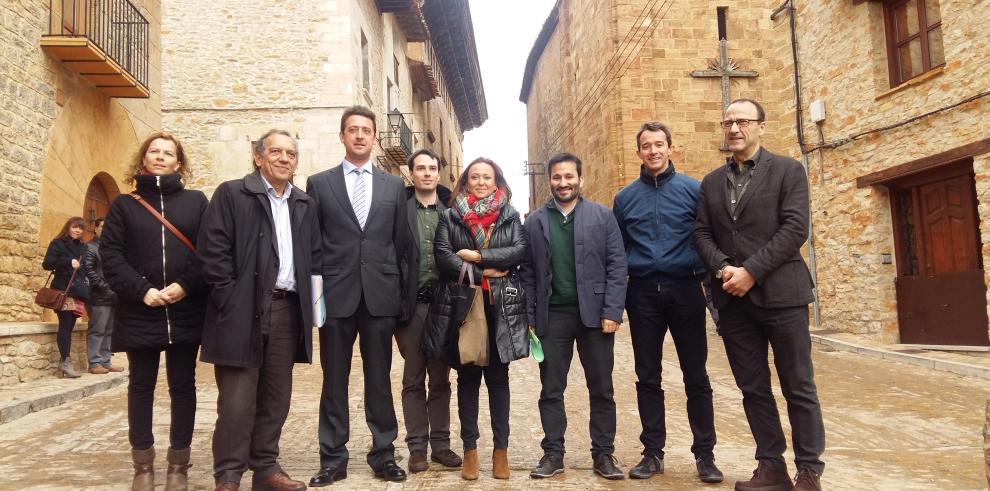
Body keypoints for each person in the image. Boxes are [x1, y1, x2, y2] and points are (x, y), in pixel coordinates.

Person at [693, 98, 825, 491]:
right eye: (729, 122)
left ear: (761, 127)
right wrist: (723, 269)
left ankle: (808, 472)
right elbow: (701, 232)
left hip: (783, 296)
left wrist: (751, 271)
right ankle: (771, 468)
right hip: (733, 301)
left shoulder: (788, 171)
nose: (734, 129)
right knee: (753, 388)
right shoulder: (711, 182)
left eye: (743, 122)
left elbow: (794, 229)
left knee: (797, 385)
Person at [198, 129, 321, 491]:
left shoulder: (304, 204)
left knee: (276, 396)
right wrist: (229, 298)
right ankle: (229, 475)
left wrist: (314, 311)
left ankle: (265, 468)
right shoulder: (232, 193)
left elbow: (315, 258)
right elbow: (212, 252)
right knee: (236, 399)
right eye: (276, 151)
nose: (284, 158)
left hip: (287, 310)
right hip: (241, 310)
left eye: (291, 154)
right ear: (258, 157)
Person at [612, 122, 723, 483]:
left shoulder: (694, 190)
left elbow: (707, 237)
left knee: (697, 375)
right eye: (647, 146)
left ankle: (705, 455)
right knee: (647, 376)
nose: (654, 151)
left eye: (660, 144)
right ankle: (652, 453)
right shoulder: (625, 198)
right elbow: (618, 248)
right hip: (642, 293)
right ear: (639, 152)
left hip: (686, 289)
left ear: (671, 148)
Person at [306, 106, 411, 485]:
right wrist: (316, 304)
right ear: (342, 136)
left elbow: (403, 246)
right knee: (333, 379)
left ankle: (383, 454)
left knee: (379, 379)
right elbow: (312, 246)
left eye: (366, 130)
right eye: (353, 130)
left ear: (373, 136)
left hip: (380, 297)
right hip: (335, 297)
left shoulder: (394, 186)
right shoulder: (319, 183)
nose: (360, 136)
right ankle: (332, 458)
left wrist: (402, 300)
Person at [101, 131, 208, 491]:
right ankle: (142, 466)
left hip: (185, 309)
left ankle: (179, 464)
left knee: (183, 386)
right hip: (140, 310)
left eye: (168, 153)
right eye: (154, 151)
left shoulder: (196, 202)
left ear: (179, 162)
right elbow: (111, 257)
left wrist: (185, 286)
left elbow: (209, 253)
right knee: (141, 386)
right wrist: (142, 290)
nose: (160, 157)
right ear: (143, 159)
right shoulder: (123, 205)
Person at [520, 153, 628, 480]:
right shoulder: (535, 221)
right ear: (550, 181)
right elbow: (527, 272)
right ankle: (553, 453)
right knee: (551, 388)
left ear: (580, 179)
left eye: (569, 177)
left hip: (596, 317)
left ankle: (603, 454)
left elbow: (617, 265)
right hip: (552, 317)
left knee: (602, 388)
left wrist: (612, 311)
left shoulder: (602, 217)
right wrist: (530, 316)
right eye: (557, 177)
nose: (563, 183)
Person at [423, 157, 529, 481]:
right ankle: (470, 450)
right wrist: (485, 271)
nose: (481, 182)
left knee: (499, 381)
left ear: (496, 182)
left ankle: (501, 452)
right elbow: (443, 257)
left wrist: (477, 256)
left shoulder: (510, 216)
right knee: (468, 380)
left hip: (500, 307)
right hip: (464, 306)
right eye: (475, 177)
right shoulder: (450, 216)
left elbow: (518, 251)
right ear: (466, 182)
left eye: (487, 177)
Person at [394, 149, 462, 473]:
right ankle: (417, 448)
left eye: (432, 168)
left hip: (444, 307)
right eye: (420, 168)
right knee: (412, 379)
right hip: (411, 308)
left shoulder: (452, 210)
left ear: (439, 173)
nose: (426, 173)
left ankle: (443, 446)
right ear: (411, 173)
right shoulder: (398, 209)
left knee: (440, 379)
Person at [41, 216, 90, 378]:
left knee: (69, 327)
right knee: (65, 325)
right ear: (68, 227)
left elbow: (85, 269)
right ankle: (65, 361)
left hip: (78, 292)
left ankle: (65, 362)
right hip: (64, 290)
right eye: (75, 227)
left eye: (81, 228)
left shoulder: (83, 247)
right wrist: (68, 261)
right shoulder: (58, 243)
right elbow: (47, 264)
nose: (77, 230)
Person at [82, 217, 122, 374]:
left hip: (112, 296)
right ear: (96, 229)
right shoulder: (90, 248)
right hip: (98, 296)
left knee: (109, 330)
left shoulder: (111, 247)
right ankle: (94, 363)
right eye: (103, 227)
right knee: (97, 330)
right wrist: (105, 288)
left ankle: (106, 361)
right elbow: (89, 271)